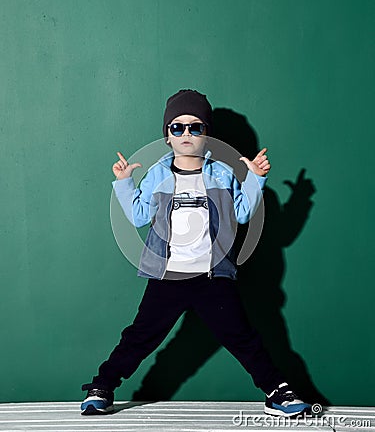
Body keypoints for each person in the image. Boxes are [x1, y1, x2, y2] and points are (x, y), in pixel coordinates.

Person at [81, 89, 311, 417]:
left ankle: (277, 392)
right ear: (167, 136)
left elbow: (243, 214)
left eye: (195, 127)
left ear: (207, 134)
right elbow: (138, 216)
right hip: (168, 277)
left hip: (212, 276)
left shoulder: (221, 174)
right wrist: (123, 183)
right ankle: (101, 386)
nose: (186, 134)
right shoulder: (157, 175)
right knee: (139, 337)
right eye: (178, 128)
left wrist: (256, 180)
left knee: (243, 338)